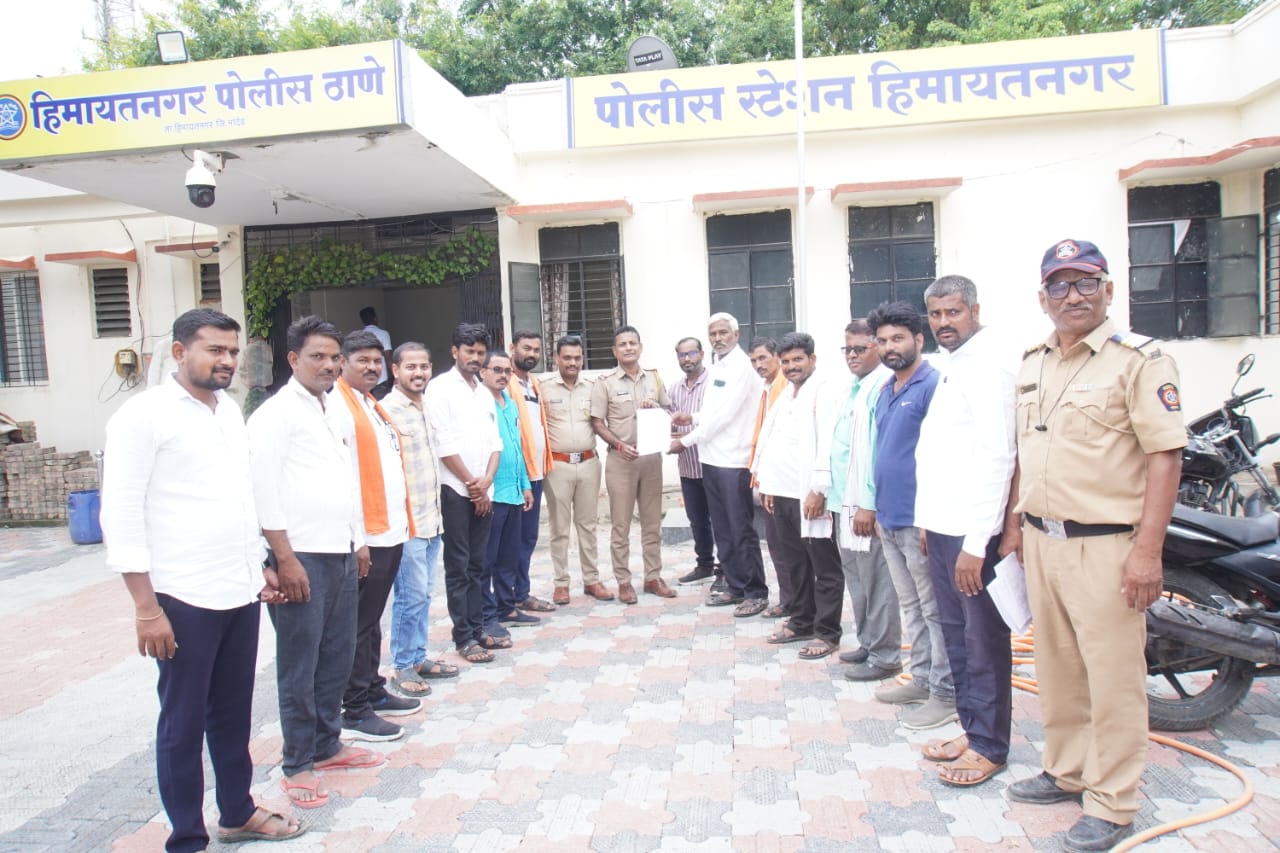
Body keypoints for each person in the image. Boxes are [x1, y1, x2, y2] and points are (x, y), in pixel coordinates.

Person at [101, 309, 303, 852]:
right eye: (214, 350)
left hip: (237, 590)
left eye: (232, 351)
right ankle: (187, 837)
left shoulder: (228, 411)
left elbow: (238, 497)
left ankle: (237, 812)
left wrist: (257, 564)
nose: (226, 361)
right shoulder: (143, 416)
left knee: (232, 715)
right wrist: (146, 608)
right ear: (179, 352)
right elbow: (120, 514)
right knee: (183, 722)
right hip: (181, 596)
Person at [1006, 239, 1184, 852]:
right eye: (1059, 285)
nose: (1072, 296)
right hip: (1043, 540)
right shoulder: (1034, 362)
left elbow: (1165, 457)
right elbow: (1027, 452)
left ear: (1109, 289)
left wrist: (1148, 553)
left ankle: (1112, 801)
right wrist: (1016, 527)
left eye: (1085, 282)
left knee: (1112, 679)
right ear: (1043, 297)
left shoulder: (1139, 361)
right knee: (1057, 667)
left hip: (1108, 547)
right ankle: (1067, 769)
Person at [248, 316, 383, 811]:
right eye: (317, 357)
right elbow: (261, 491)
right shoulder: (274, 415)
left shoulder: (334, 408)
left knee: (337, 655)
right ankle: (298, 762)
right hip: (299, 557)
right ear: (293, 360)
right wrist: (283, 558)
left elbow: (346, 478)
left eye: (333, 358)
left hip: (340, 550)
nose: (328, 365)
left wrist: (359, 541)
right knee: (299, 663)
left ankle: (328, 745)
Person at [913, 276, 1017, 787]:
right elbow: (941, 452)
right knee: (956, 636)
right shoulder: (952, 364)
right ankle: (972, 730)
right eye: (935, 314)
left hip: (974, 534)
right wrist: (928, 522)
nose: (943, 323)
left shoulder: (990, 365)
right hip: (944, 526)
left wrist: (977, 545)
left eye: (953, 312)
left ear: (975, 310)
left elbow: (1000, 457)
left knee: (982, 640)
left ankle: (990, 746)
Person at [867, 300, 955, 731]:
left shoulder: (932, 386)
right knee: (911, 605)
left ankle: (946, 692)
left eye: (898, 338)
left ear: (919, 340)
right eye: (883, 340)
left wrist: (928, 518)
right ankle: (920, 678)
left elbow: (943, 456)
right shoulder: (887, 389)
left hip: (919, 519)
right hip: (889, 515)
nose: (889, 347)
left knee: (935, 609)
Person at [331, 330, 420, 741]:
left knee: (371, 621)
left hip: (390, 530)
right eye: (361, 360)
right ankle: (354, 708)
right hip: (367, 536)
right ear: (343, 362)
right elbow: (344, 479)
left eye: (375, 360)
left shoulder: (369, 403)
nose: (371, 367)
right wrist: (358, 540)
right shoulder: (338, 406)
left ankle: (371, 689)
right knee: (358, 623)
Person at [753, 332, 844, 660]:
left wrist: (818, 490)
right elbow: (772, 438)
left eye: (797, 360)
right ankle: (802, 621)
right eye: (786, 361)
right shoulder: (788, 393)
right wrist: (768, 484)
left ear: (812, 360)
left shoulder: (823, 391)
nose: (791, 366)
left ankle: (827, 632)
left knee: (824, 565)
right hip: (783, 493)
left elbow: (827, 442)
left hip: (810, 494)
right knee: (795, 563)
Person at [671, 314, 768, 617]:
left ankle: (755, 592)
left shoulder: (741, 367)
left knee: (741, 528)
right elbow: (712, 412)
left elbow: (725, 417)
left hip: (733, 461)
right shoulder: (718, 366)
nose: (718, 338)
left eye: (723, 332)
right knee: (723, 529)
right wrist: (692, 418)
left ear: (736, 334)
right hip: (711, 459)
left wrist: (685, 441)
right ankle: (735, 585)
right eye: (713, 334)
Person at [380, 343, 460, 699]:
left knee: (424, 594)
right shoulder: (386, 411)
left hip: (432, 518)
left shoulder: (429, 406)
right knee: (409, 596)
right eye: (411, 367)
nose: (419, 373)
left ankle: (418, 656)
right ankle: (402, 666)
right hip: (407, 522)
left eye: (424, 366)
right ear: (395, 369)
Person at [427, 323, 505, 664]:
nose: (475, 357)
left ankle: (477, 628)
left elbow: (495, 443)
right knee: (458, 566)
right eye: (469, 351)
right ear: (454, 351)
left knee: (478, 564)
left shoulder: (483, 392)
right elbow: (442, 442)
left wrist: (486, 481)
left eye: (480, 352)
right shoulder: (440, 388)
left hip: (483, 490)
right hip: (455, 491)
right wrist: (473, 485)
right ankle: (464, 637)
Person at [829, 320, 902, 680]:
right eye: (848, 349)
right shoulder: (853, 388)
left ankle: (886, 655)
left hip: (864, 502)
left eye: (860, 349)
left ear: (877, 348)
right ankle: (868, 642)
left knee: (877, 580)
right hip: (843, 499)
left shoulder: (881, 387)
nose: (852, 356)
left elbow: (877, 451)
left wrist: (868, 504)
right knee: (857, 578)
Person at [592, 325, 676, 603]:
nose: (628, 348)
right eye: (622, 344)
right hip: (621, 460)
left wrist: (657, 408)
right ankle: (624, 582)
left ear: (640, 347)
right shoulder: (605, 382)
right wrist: (618, 445)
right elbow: (597, 422)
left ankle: (653, 577)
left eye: (632, 343)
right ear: (614, 350)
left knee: (652, 522)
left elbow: (670, 411)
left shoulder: (653, 377)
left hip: (650, 458)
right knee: (621, 525)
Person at [542, 335, 609, 604]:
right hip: (557, 466)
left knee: (588, 525)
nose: (572, 362)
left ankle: (592, 580)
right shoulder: (543, 389)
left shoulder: (593, 388)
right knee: (559, 528)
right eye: (567, 357)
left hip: (589, 463)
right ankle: (561, 584)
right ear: (556, 358)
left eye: (577, 358)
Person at [479, 350, 536, 637]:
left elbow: (516, 446)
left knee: (509, 556)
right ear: (483, 372)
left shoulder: (511, 404)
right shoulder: (478, 404)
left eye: (507, 371)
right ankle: (486, 614)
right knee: (487, 559)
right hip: (493, 494)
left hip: (514, 492)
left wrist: (525, 484)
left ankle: (506, 607)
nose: (503, 375)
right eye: (497, 370)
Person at [509, 330, 557, 615]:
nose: (532, 354)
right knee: (514, 540)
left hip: (537, 472)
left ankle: (521, 593)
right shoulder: (506, 383)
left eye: (536, 350)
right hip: (518, 476)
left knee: (528, 538)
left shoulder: (534, 384)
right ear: (512, 348)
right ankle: (511, 597)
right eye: (526, 348)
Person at [668, 336, 719, 586]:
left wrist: (685, 437)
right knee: (697, 521)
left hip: (713, 465)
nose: (687, 359)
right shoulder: (674, 389)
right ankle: (704, 565)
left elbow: (714, 422)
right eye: (682, 355)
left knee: (720, 521)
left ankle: (726, 569)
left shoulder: (715, 383)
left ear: (702, 354)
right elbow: (669, 423)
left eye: (691, 353)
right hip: (688, 467)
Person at [747, 336, 792, 615]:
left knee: (785, 546)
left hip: (781, 480)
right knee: (777, 544)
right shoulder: (767, 387)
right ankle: (789, 600)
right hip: (768, 478)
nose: (758, 365)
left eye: (763, 358)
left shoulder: (784, 387)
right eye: (753, 360)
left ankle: (793, 603)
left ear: (776, 357)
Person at [359, 306, 393, 399]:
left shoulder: (360, 336)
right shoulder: (383, 334)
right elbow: (388, 356)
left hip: (365, 377)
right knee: (381, 404)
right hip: (381, 378)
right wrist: (394, 375)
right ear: (375, 318)